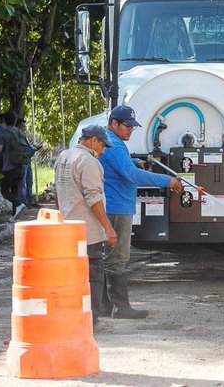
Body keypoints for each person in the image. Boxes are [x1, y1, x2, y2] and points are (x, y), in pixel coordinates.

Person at [99, 105, 183, 319]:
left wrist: (136, 161)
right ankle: (121, 308)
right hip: (117, 208)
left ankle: (105, 307)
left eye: (133, 127)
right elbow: (131, 176)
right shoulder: (114, 145)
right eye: (127, 126)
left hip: (117, 205)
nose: (131, 130)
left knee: (110, 257)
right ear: (114, 124)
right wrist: (168, 181)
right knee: (117, 257)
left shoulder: (112, 142)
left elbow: (121, 166)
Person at [54, 125, 118, 330]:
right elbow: (94, 198)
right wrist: (108, 228)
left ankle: (73, 315)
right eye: (102, 145)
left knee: (71, 275)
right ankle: (91, 319)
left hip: (67, 227)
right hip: (87, 230)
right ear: (92, 141)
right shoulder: (88, 161)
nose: (103, 151)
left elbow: (57, 192)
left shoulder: (64, 156)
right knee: (93, 274)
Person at [0, 112, 28, 218]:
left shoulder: (4, 133)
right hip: (20, 166)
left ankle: (19, 205)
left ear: (5, 121)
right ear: (15, 121)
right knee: (15, 191)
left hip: (9, 167)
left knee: (5, 191)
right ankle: (15, 215)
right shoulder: (20, 132)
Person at [16, 118, 41, 208]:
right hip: (23, 161)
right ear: (18, 126)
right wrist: (33, 148)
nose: (25, 127)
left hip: (27, 160)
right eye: (23, 126)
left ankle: (30, 199)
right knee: (23, 182)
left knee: (29, 180)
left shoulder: (23, 135)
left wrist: (33, 147)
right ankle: (23, 201)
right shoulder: (18, 135)